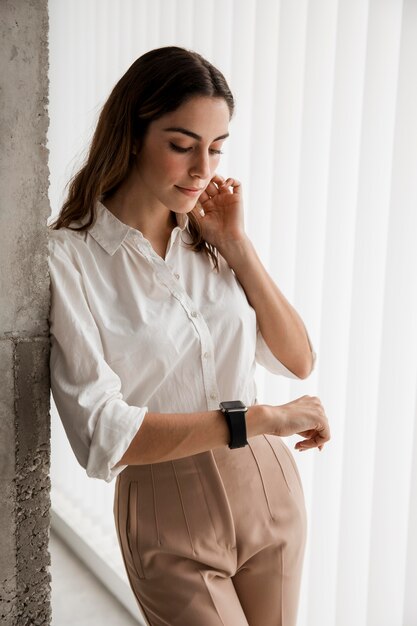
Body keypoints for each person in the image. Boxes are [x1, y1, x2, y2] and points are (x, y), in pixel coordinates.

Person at [47, 45, 330, 626]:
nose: (203, 169)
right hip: (165, 505)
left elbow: (297, 360)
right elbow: (104, 434)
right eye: (182, 146)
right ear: (131, 135)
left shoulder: (212, 240)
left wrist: (239, 248)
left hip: (269, 488)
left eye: (217, 147)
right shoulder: (67, 258)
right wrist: (260, 419)